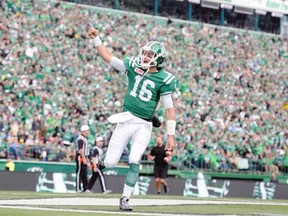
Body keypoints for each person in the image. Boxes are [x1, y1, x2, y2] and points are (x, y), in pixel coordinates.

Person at [88, 25, 177, 211]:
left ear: (158, 59)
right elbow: (109, 58)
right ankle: (101, 162)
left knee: (134, 160)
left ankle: (125, 199)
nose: (145, 57)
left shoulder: (165, 79)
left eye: (149, 55)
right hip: (126, 119)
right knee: (111, 161)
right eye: (145, 53)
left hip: (144, 125)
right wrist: (96, 38)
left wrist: (171, 136)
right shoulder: (133, 65)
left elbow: (170, 109)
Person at [75, 124, 90, 193]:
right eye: (87, 131)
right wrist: (84, 158)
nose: (88, 132)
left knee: (84, 173)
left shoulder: (84, 138)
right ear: (84, 131)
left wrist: (86, 157)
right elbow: (81, 149)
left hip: (84, 156)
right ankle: (78, 188)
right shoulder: (80, 138)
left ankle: (85, 188)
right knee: (79, 172)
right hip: (80, 157)